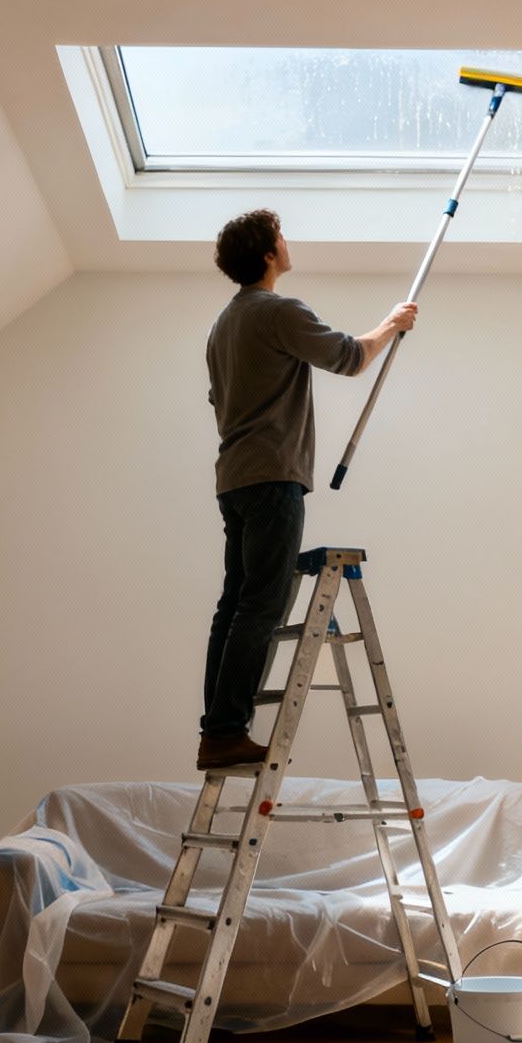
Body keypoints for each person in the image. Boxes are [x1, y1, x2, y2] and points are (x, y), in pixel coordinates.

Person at [197, 209, 417, 769]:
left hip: (235, 478)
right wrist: (392, 324)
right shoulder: (276, 312)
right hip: (272, 476)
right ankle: (225, 732)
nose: (287, 242)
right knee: (260, 606)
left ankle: (218, 728)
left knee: (235, 605)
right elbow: (347, 358)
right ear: (269, 254)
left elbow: (219, 402)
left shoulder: (222, 326)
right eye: (281, 237)